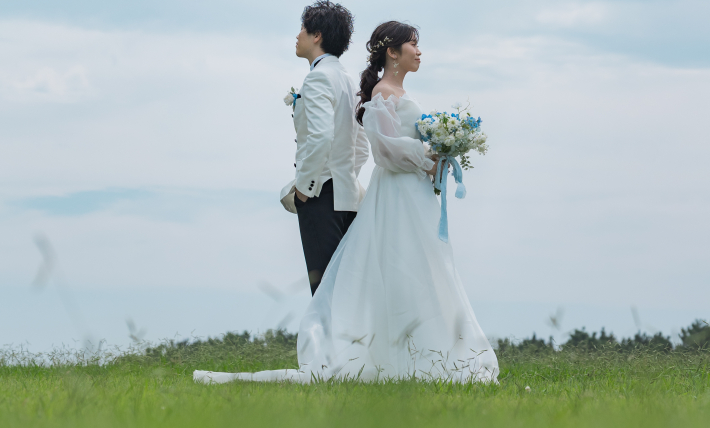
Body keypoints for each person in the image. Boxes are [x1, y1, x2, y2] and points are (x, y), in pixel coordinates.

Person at [195, 20, 498, 385]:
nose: (419, 52)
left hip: (411, 195)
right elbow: (382, 151)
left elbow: (357, 146)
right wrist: (427, 153)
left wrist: (431, 159)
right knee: (399, 266)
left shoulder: (366, 88)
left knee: (426, 268)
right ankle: (392, 352)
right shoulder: (381, 94)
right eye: (413, 45)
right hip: (394, 195)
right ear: (392, 52)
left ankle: (427, 350)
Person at [280, 0, 370, 294]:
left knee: (325, 294)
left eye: (302, 29)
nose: (297, 36)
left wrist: (305, 190)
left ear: (316, 35)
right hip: (347, 196)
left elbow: (319, 137)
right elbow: (361, 148)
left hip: (320, 196)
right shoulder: (347, 80)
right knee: (343, 291)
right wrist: (343, 174)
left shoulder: (319, 78)